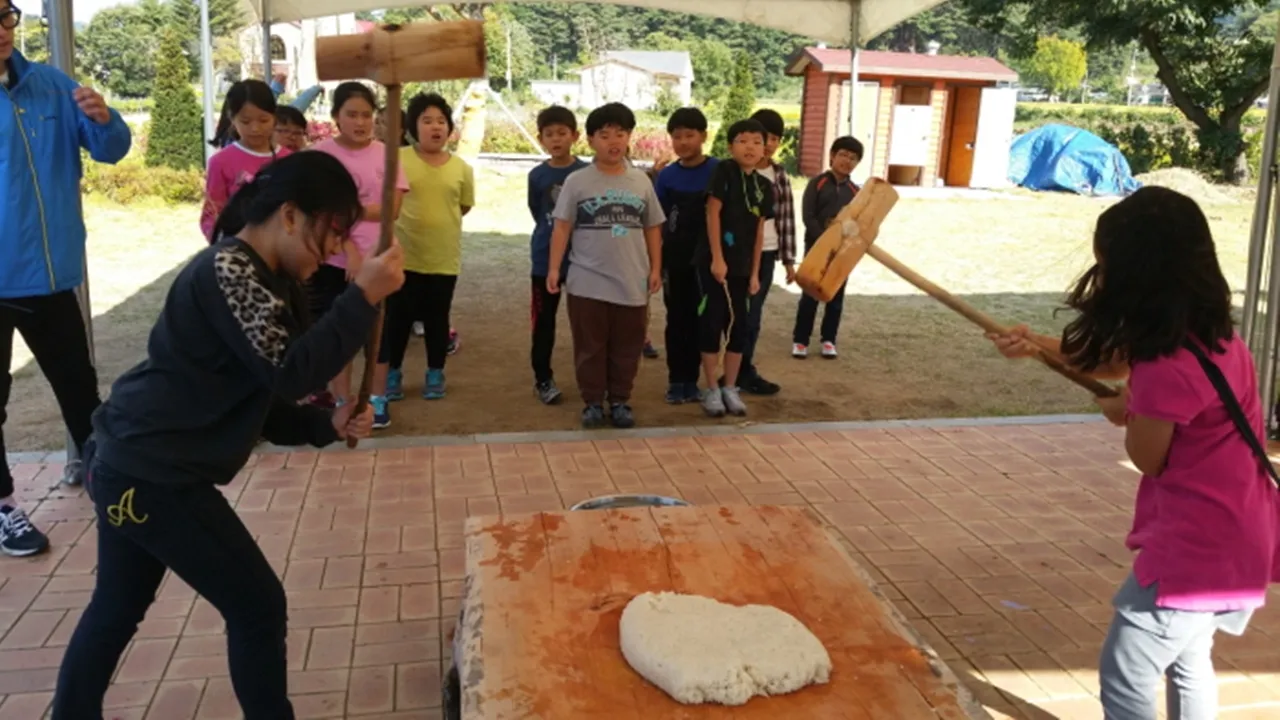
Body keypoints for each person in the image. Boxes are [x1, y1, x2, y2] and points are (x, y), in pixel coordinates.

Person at [51, 151, 404, 719]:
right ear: (290, 215)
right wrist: (360, 297)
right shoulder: (227, 270)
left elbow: (260, 391)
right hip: (149, 475)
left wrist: (325, 423)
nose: (336, 250)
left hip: (130, 465)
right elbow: (292, 369)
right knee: (256, 604)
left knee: (117, 606)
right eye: (330, 233)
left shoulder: (273, 279)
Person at [988, 187, 1279, 720]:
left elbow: (1148, 455)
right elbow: (1116, 363)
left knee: (1126, 675)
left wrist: (1127, 412)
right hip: (1239, 536)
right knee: (1189, 660)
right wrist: (1038, 345)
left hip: (1196, 551)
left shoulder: (1166, 366)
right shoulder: (1209, 337)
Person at [0, 0, 132, 556]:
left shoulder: (52, 85)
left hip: (49, 276)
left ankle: (115, 489)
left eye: (6, 17)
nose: (2, 30)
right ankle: (3, 508)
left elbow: (111, 149)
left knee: (80, 388)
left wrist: (105, 119)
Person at [547, 102, 664, 429]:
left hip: (632, 281)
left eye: (620, 133)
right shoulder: (577, 181)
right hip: (587, 281)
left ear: (629, 138)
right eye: (604, 134)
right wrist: (555, 269)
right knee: (590, 346)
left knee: (627, 346)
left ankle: (620, 400)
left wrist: (655, 269)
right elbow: (562, 227)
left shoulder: (640, 182)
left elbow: (653, 226)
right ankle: (593, 402)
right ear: (590, 140)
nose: (613, 140)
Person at [309, 82, 409, 428]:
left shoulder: (387, 153)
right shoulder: (321, 156)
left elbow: (392, 209)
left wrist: (349, 209)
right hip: (336, 263)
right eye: (352, 114)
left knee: (380, 335)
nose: (360, 122)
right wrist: (349, 250)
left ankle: (376, 400)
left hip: (381, 260)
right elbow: (322, 214)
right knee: (339, 336)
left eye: (367, 114)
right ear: (336, 116)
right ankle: (342, 401)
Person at [375, 93, 475, 422]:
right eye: (427, 120)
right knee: (398, 319)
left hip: (443, 257)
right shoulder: (398, 159)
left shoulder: (462, 168)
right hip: (403, 256)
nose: (435, 127)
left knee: (437, 318)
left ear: (450, 128)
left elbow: (462, 206)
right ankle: (393, 374)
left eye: (441, 121)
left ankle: (435, 373)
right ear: (412, 127)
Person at [697, 119, 772, 418]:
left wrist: (755, 273)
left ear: (765, 148)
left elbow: (758, 232)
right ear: (730, 146)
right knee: (712, 322)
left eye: (756, 141)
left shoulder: (765, 186)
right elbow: (712, 214)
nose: (750, 147)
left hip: (744, 267)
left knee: (740, 326)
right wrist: (717, 258)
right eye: (742, 140)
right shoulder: (723, 172)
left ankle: (731, 387)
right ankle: (712, 388)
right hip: (715, 264)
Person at [654, 107, 718, 405]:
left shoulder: (719, 171)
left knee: (701, 320)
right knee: (676, 318)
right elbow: (658, 220)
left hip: (706, 260)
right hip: (675, 259)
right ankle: (675, 380)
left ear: (703, 136)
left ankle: (693, 382)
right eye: (676, 137)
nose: (683, 142)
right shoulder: (666, 177)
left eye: (689, 135)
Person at [528, 106, 587, 405]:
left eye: (562, 133)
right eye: (549, 134)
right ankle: (543, 379)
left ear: (574, 136)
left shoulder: (587, 172)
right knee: (544, 323)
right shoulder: (537, 175)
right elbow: (537, 213)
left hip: (583, 261)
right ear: (541, 139)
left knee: (586, 323)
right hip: (543, 261)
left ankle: (591, 380)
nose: (556, 139)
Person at [734, 108, 796, 395]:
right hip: (737, 254)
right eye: (763, 137)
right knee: (734, 314)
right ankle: (729, 371)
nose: (768, 144)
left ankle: (744, 371)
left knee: (753, 315)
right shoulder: (732, 171)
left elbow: (786, 218)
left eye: (774, 139)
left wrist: (789, 261)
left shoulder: (780, 175)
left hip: (768, 254)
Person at [792, 136, 862, 359]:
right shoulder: (818, 183)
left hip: (842, 253)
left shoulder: (855, 191)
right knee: (810, 293)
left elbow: (858, 222)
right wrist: (825, 241)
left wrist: (844, 246)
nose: (846, 161)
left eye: (853, 158)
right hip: (816, 248)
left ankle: (829, 340)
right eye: (842, 155)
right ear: (832, 156)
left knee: (835, 295)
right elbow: (808, 216)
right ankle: (801, 340)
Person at [202, 80, 288, 242]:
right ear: (232, 119)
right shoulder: (220, 162)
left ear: (274, 118)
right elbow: (211, 214)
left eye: (263, 120)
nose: (255, 128)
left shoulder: (290, 159)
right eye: (245, 122)